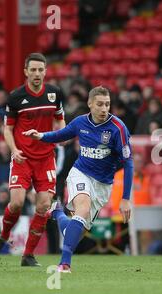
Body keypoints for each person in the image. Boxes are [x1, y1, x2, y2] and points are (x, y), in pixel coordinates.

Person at [23, 86, 133, 273]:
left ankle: (57, 212)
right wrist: (41, 136)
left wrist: (125, 198)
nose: (104, 108)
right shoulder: (80, 122)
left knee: (74, 232)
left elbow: (128, 162)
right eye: (99, 104)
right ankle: (64, 263)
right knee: (82, 209)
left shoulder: (118, 128)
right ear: (90, 104)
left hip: (103, 184)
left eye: (107, 104)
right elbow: (61, 135)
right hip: (80, 173)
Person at [0, 53, 65, 267]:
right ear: (26, 72)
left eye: (40, 70)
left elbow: (60, 120)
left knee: (44, 206)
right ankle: (3, 235)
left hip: (46, 158)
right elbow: (7, 128)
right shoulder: (16, 97)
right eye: (33, 70)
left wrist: (61, 136)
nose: (37, 74)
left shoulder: (55, 94)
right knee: (17, 203)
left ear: (45, 71)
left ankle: (28, 255)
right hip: (23, 158)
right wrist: (14, 150)